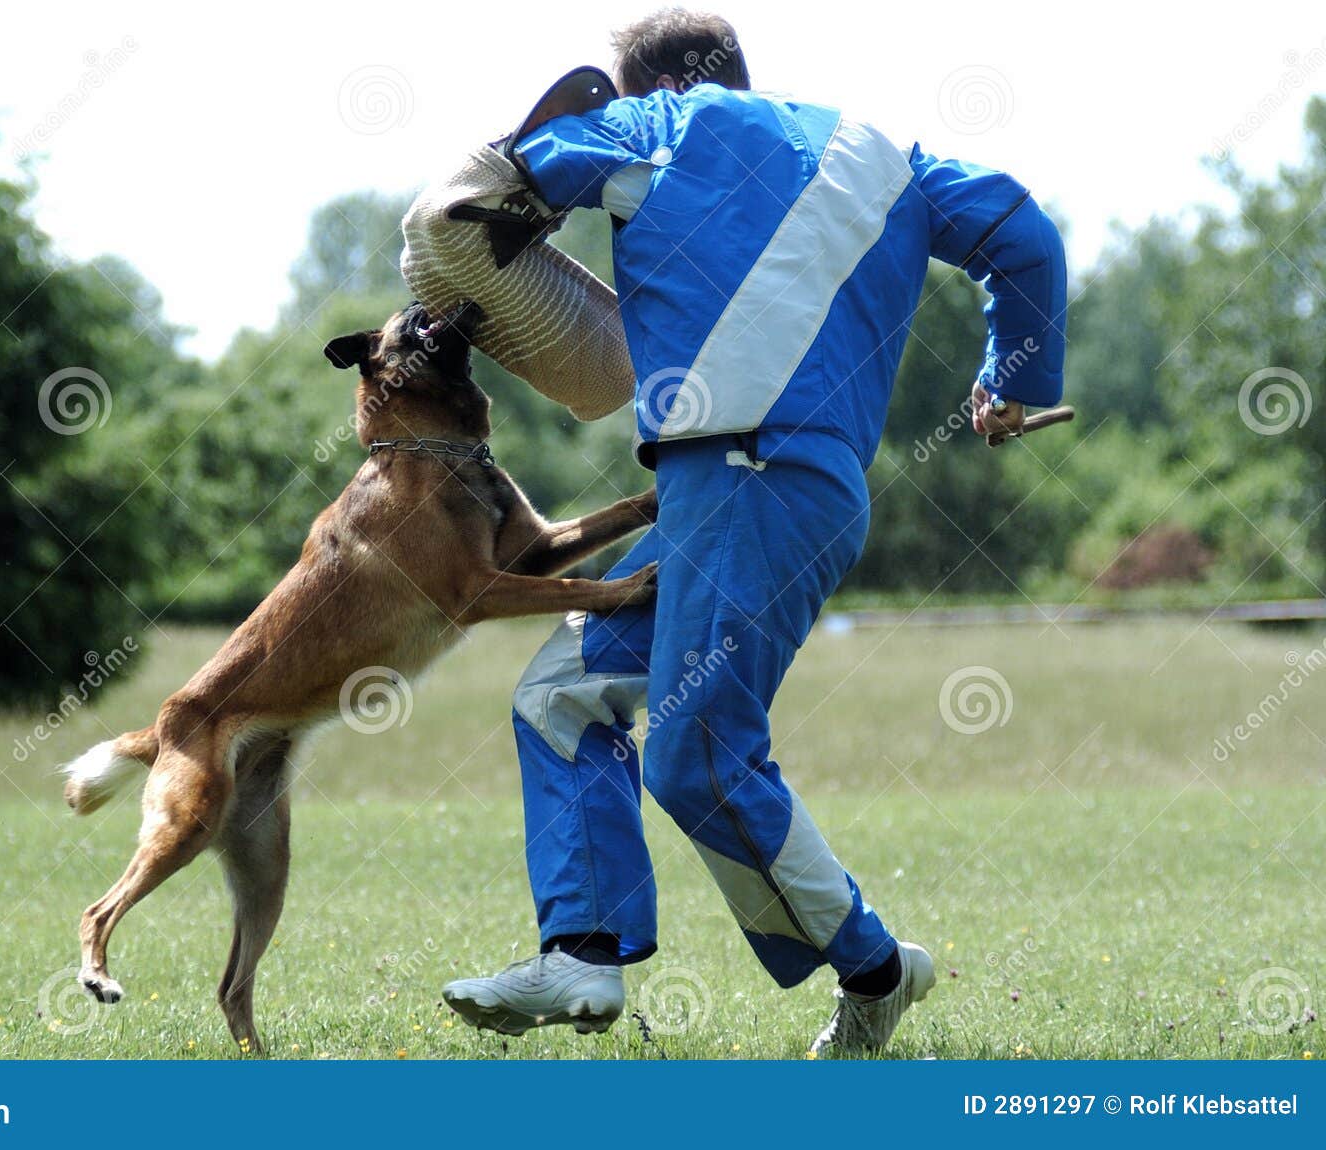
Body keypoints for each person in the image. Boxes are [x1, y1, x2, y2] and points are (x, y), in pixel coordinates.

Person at [439, 8, 1065, 1055]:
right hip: (765, 492)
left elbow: (520, 170)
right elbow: (1021, 233)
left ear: (648, 87)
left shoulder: (657, 125)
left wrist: (503, 192)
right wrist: (1012, 379)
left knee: (698, 757)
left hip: (745, 470)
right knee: (560, 695)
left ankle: (872, 965)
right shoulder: (883, 154)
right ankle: (585, 955)